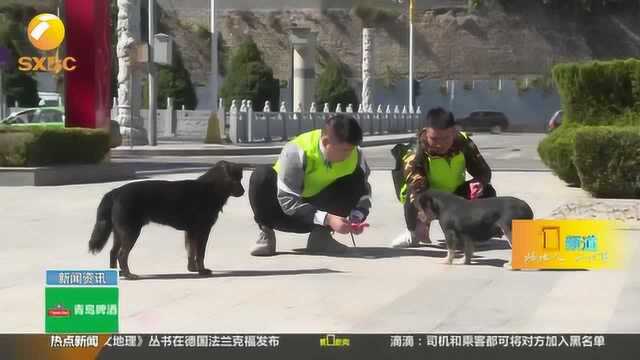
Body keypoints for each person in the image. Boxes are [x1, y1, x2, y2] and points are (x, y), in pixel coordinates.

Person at [249, 114, 372, 256]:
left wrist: (356, 217)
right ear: (326, 142)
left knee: (355, 179)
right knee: (261, 176)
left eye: (352, 149)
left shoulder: (356, 157)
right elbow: (287, 201)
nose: (348, 155)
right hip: (283, 213)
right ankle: (266, 234)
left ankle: (320, 238)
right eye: (344, 150)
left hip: (318, 217)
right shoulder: (297, 151)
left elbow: (364, 193)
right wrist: (329, 219)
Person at [391, 107, 497, 248]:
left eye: (445, 138)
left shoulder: (464, 143)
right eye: (433, 139)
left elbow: (484, 171)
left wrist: (479, 182)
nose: (440, 144)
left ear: (453, 131)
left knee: (488, 191)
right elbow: (417, 185)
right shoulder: (415, 150)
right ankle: (413, 232)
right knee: (413, 192)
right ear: (426, 132)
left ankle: (471, 233)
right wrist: (423, 217)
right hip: (426, 195)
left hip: (454, 196)